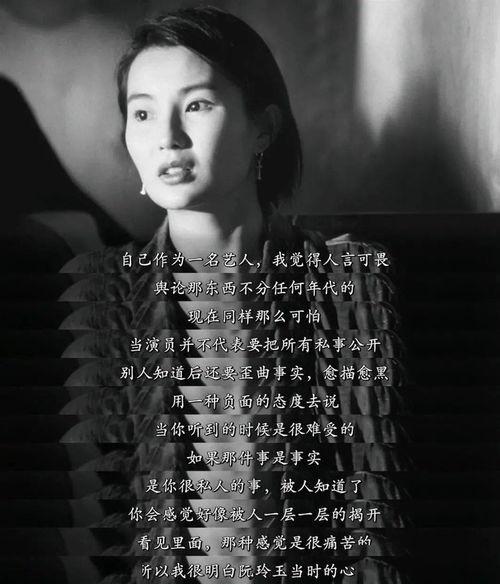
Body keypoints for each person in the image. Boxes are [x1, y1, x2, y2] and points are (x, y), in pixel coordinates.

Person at [58, 7, 410, 583]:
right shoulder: (94, 305)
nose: (167, 138)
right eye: (142, 113)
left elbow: (374, 524)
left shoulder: (346, 288)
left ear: (263, 128)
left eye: (197, 105)